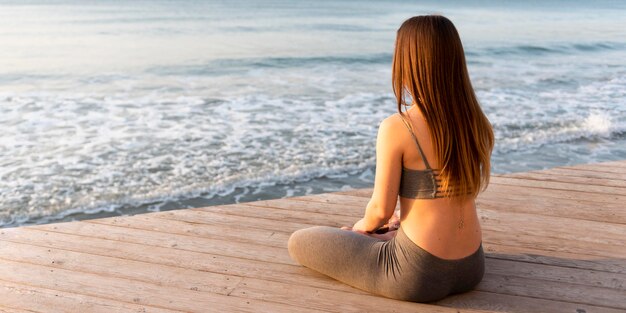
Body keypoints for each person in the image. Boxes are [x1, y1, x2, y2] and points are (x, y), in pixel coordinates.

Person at [287, 15, 494, 303]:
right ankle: (395, 235)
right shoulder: (474, 122)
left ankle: (384, 238)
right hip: (472, 265)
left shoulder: (398, 127)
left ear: (408, 64)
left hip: (417, 273)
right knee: (392, 227)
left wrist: (362, 230)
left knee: (299, 241)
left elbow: (380, 210)